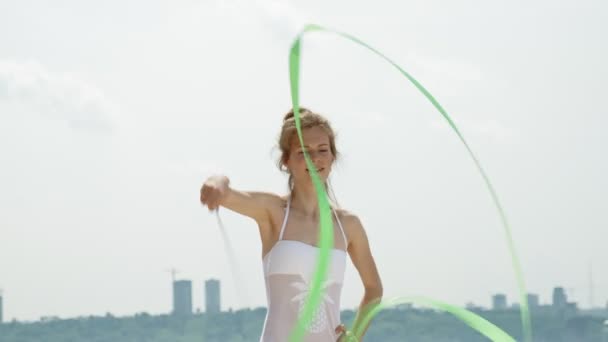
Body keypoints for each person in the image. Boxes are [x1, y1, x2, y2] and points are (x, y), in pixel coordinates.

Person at [200, 107, 383, 341]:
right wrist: (216, 183)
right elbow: (226, 193)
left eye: (322, 150)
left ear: (332, 157)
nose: (315, 159)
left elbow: (374, 288)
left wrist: (355, 335)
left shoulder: (348, 225)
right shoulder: (273, 212)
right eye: (303, 152)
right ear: (286, 160)